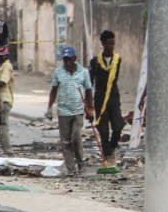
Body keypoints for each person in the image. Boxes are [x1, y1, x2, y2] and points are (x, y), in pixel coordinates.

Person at [47, 46, 94, 177]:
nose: (67, 63)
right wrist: (49, 108)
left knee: (76, 138)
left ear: (75, 59)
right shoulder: (58, 72)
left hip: (78, 111)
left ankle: (81, 163)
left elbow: (89, 91)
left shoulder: (83, 72)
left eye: (69, 59)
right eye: (65, 60)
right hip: (63, 111)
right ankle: (71, 169)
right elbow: (54, 91)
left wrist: (90, 108)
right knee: (65, 142)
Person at [89, 30, 124, 169]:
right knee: (103, 131)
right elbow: (90, 82)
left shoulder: (117, 60)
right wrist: (89, 104)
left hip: (114, 98)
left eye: (113, 43)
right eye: (109, 43)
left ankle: (111, 149)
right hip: (100, 99)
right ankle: (108, 157)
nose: (111, 46)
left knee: (118, 126)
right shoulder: (95, 62)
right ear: (102, 44)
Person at [0, 46, 15, 156]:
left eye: (0, 57)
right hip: (0, 100)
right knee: (0, 125)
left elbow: (2, 81)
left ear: (5, 56)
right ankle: (5, 148)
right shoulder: (2, 66)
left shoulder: (7, 66)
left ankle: (8, 150)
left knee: (3, 125)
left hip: (4, 100)